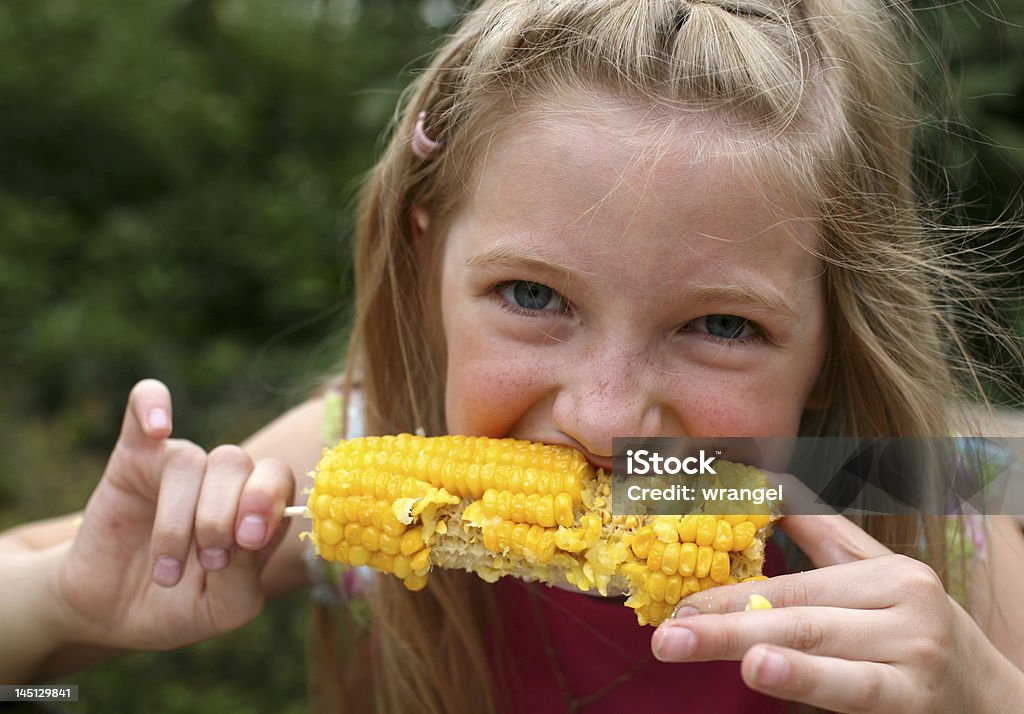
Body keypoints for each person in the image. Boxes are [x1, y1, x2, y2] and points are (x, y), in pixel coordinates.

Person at [3, 0, 1023, 711]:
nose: (606, 415)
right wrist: (61, 608)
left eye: (720, 326)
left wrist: (982, 697)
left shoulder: (923, 531)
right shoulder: (352, 450)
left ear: (831, 339)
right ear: (427, 267)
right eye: (533, 297)